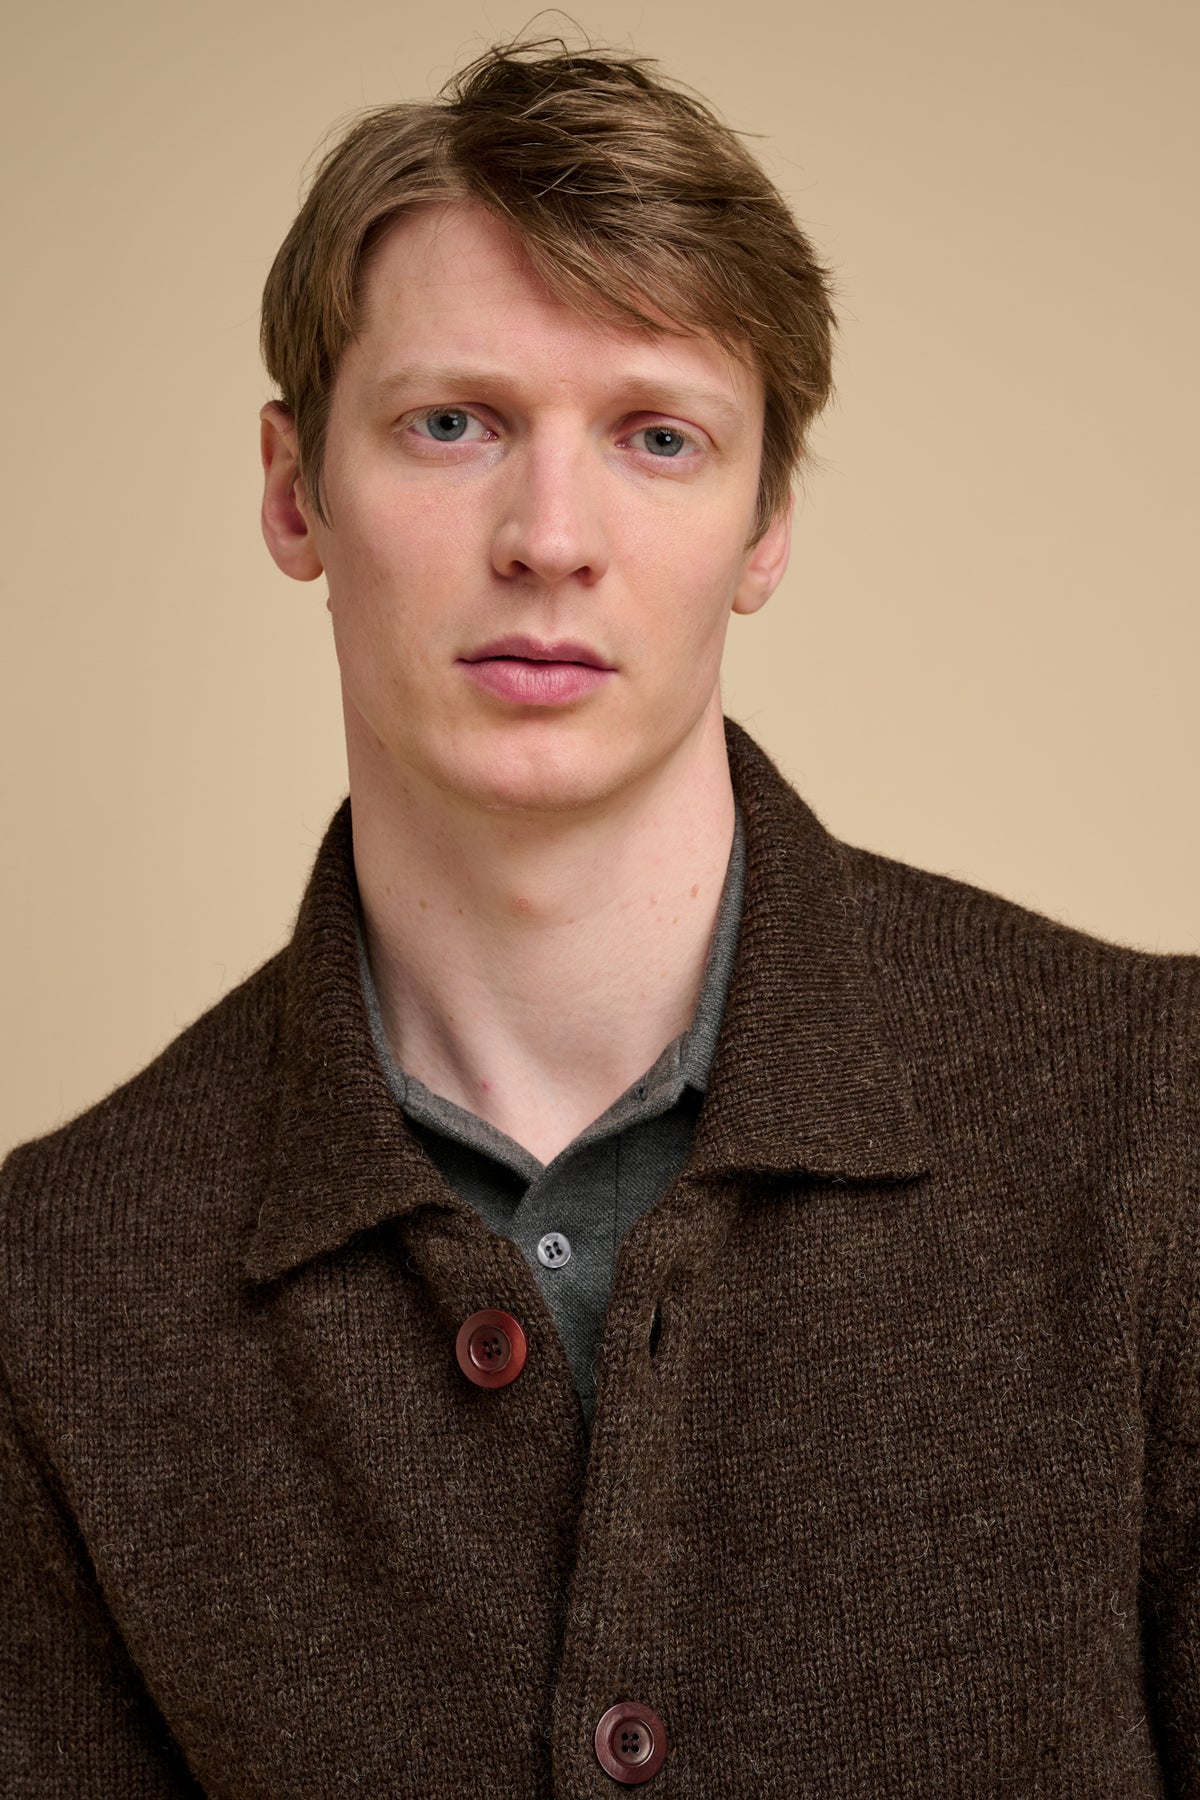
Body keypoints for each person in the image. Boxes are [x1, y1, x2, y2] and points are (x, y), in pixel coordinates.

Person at [1, 34, 1196, 1798]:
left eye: (656, 435)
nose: (548, 537)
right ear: (292, 489)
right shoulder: (55, 1291)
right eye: (452, 423)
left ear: (766, 518)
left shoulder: (1156, 1120)